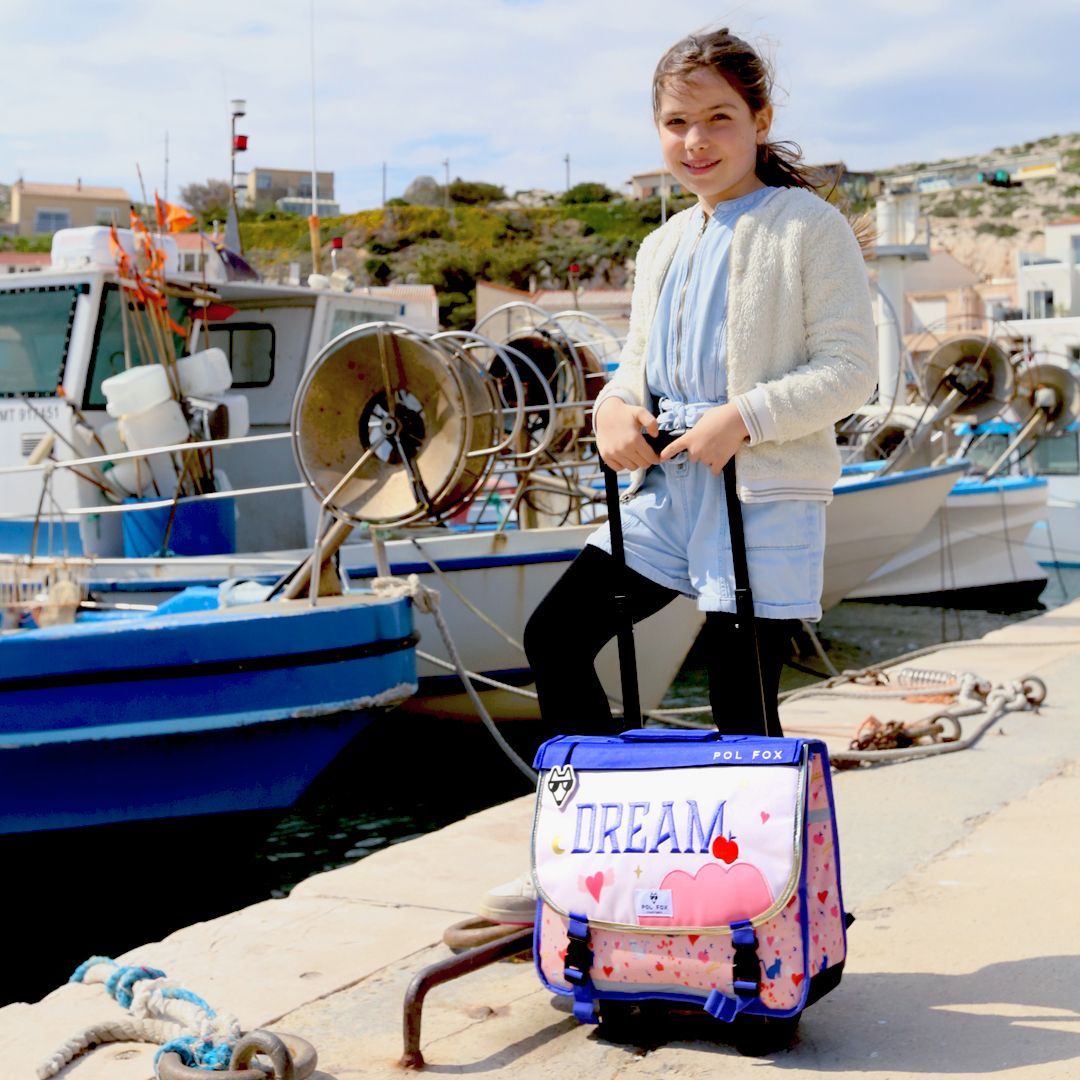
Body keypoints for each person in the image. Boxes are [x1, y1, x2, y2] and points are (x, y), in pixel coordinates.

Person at [479, 26, 876, 926]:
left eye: (718, 118)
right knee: (556, 636)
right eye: (675, 123)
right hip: (666, 492)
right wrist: (611, 409)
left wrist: (745, 417)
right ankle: (587, 849)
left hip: (759, 491)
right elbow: (635, 367)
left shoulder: (806, 226)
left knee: (744, 707)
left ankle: (774, 910)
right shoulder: (661, 244)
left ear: (759, 119)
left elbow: (852, 370)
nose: (695, 141)